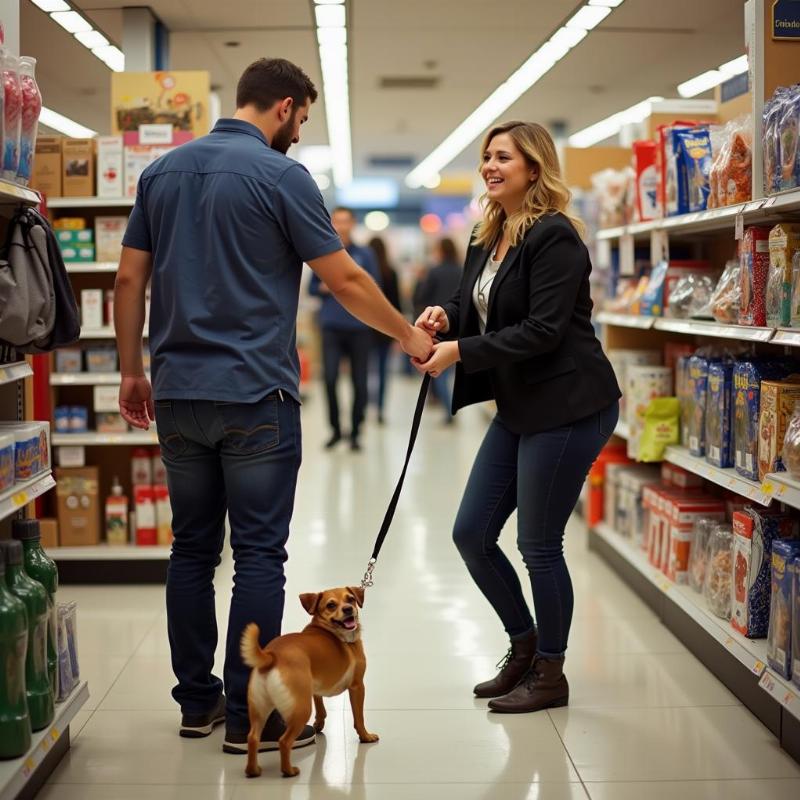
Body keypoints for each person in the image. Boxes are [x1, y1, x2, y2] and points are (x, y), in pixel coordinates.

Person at [113, 57, 432, 754]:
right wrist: (409, 336)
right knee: (259, 555)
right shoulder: (283, 177)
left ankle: (195, 704)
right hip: (255, 393)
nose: (300, 133)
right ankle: (244, 716)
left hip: (177, 393)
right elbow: (343, 276)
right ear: (285, 107)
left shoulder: (162, 174)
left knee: (192, 549)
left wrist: (132, 371)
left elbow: (129, 277)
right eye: (304, 118)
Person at [414, 120, 620, 713]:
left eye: (503, 156)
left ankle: (551, 673)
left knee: (539, 544)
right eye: (486, 157)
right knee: (471, 534)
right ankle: (523, 646)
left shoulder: (554, 236)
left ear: (534, 167)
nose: (490, 165)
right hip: (520, 405)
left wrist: (461, 354)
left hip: (570, 403)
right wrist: (444, 319)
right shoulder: (488, 233)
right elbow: (472, 304)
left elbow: (543, 329)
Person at [309, 208, 381, 451]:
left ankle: (356, 431)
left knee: (360, 382)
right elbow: (311, 288)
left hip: (360, 326)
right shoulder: (324, 254)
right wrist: (324, 288)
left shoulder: (365, 254)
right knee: (329, 379)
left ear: (353, 224)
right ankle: (336, 430)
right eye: (337, 221)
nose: (341, 226)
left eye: (345, 221)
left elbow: (374, 287)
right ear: (331, 224)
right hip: (331, 327)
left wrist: (347, 288)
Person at [414, 237, 462, 424]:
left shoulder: (434, 271)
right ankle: (450, 406)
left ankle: (448, 409)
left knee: (437, 371)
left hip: (437, 326)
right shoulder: (461, 270)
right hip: (458, 326)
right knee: (450, 372)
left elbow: (422, 295)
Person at [367, 236, 402, 424]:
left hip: (366, 328)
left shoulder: (364, 274)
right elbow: (397, 304)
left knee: (365, 371)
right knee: (382, 371)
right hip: (386, 330)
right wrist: (400, 335)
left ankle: (365, 406)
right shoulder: (391, 273)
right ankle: (380, 409)